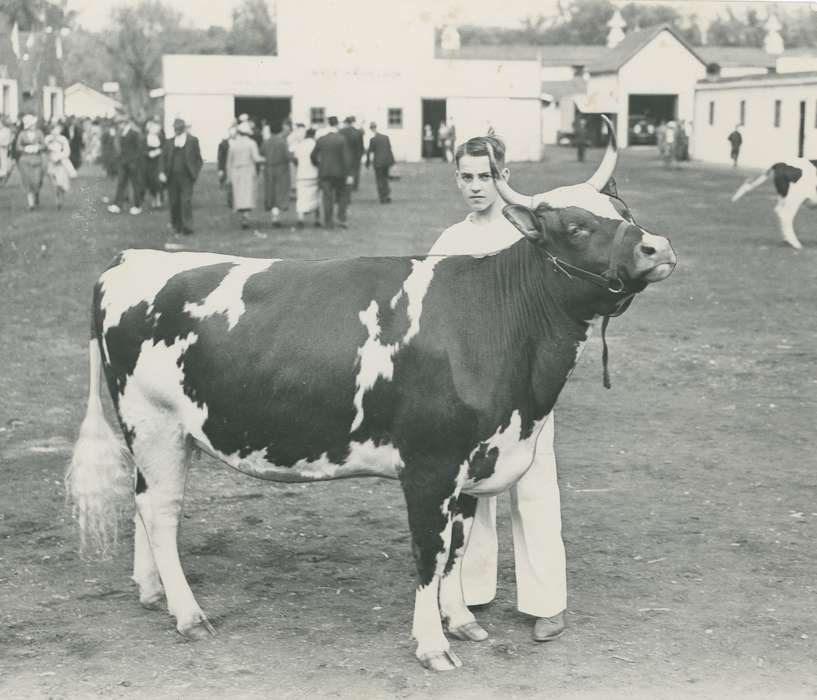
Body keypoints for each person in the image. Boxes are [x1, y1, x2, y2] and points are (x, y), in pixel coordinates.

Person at [426, 133, 567, 644]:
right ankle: (470, 590)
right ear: (456, 179)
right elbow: (432, 321)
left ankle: (547, 602)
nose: (476, 186)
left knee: (534, 487)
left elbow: (552, 313)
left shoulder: (529, 237)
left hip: (526, 389)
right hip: (470, 393)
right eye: (466, 176)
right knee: (471, 491)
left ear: (503, 177)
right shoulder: (448, 242)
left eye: (486, 176)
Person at [158, 118, 203, 235]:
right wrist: (162, 172)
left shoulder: (192, 140)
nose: (176, 130)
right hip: (171, 176)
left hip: (186, 177)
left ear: (183, 128)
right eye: (175, 128)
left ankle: (187, 227)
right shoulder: (169, 142)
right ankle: (176, 226)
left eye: (178, 128)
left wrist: (195, 173)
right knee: (174, 202)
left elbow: (199, 159)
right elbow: (162, 159)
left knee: (186, 201)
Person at [310, 115, 351, 229]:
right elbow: (346, 158)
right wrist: (348, 173)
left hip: (325, 172)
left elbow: (313, 155)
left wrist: (318, 165)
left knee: (327, 197)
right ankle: (341, 219)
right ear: (337, 124)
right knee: (342, 195)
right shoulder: (342, 139)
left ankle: (328, 222)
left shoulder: (321, 139)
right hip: (340, 173)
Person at [227, 120, 265, 229]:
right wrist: (266, 159)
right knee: (247, 194)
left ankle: (243, 216)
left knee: (239, 194)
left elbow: (229, 161)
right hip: (248, 170)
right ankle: (245, 217)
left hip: (236, 171)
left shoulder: (233, 144)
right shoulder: (251, 143)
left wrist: (229, 174)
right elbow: (256, 158)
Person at [108, 115, 145, 215]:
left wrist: (133, 160)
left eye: (121, 123)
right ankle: (117, 205)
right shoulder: (122, 133)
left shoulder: (134, 133)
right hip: (123, 163)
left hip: (133, 163)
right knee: (121, 183)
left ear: (125, 123)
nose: (119, 126)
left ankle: (137, 206)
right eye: (119, 124)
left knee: (135, 184)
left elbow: (139, 149)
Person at [291, 127, 322, 229]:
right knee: (316, 196)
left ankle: (300, 218)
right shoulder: (316, 144)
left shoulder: (300, 145)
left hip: (302, 174)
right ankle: (317, 218)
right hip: (314, 174)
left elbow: (295, 160)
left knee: (301, 197)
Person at [261, 126, 291, 228]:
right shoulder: (282, 142)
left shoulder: (266, 142)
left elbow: (262, 153)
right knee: (280, 192)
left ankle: (274, 216)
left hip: (269, 169)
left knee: (271, 192)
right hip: (281, 169)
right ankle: (276, 216)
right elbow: (288, 156)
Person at [15, 113, 46, 210]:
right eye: (31, 125)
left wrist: (38, 147)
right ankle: (30, 204)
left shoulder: (39, 133)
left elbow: (44, 145)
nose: (33, 126)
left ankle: (36, 194)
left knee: (37, 181)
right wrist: (25, 148)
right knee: (27, 181)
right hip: (25, 160)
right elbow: (17, 146)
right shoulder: (22, 134)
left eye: (34, 124)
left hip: (37, 159)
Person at [44, 120, 76, 209]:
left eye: (57, 129)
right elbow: (45, 151)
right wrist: (49, 153)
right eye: (53, 129)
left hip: (61, 163)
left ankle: (62, 197)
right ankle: (58, 201)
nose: (55, 132)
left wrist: (59, 157)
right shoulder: (47, 139)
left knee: (61, 182)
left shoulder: (63, 139)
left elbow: (67, 151)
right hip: (51, 163)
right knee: (55, 183)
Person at [366, 121, 395, 204]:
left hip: (378, 162)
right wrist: (392, 161)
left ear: (371, 129)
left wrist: (367, 163)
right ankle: (386, 195)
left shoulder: (373, 139)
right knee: (385, 178)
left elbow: (369, 152)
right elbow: (389, 149)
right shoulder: (386, 137)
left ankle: (382, 197)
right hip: (386, 161)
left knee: (379, 179)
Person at [144, 118, 165, 209]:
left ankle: (159, 199)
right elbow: (142, 150)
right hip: (149, 162)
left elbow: (165, 147)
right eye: (151, 127)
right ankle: (153, 199)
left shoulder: (160, 136)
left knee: (158, 181)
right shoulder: (145, 137)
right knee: (151, 181)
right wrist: (148, 154)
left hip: (159, 161)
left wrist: (159, 151)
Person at [340, 116, 365, 194]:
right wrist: (360, 154)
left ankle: (345, 184)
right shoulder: (358, 132)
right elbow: (361, 145)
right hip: (355, 155)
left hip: (344, 154)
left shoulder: (341, 131)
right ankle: (354, 186)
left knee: (345, 171)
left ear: (346, 123)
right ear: (353, 122)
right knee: (356, 171)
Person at [217, 124, 236, 209]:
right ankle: (231, 202)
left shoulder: (239, 142)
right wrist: (221, 169)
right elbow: (220, 157)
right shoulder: (223, 144)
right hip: (227, 167)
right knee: (230, 185)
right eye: (231, 131)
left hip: (237, 166)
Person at [0, 116, 13, 184]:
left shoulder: (7, 130)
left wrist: (3, 143)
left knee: (3, 161)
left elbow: (8, 141)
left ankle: (3, 176)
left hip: (3, 149)